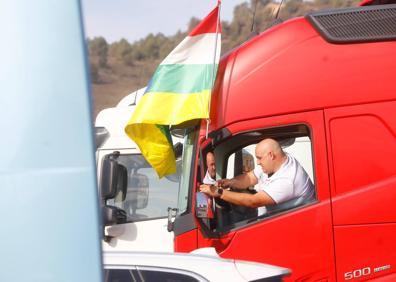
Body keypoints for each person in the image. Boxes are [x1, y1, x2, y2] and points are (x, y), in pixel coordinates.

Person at [199, 138, 314, 209]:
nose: (257, 162)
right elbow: (250, 177)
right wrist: (230, 182)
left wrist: (219, 192)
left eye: (259, 158)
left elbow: (253, 201)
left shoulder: (287, 179)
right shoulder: (276, 162)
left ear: (271, 155)